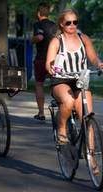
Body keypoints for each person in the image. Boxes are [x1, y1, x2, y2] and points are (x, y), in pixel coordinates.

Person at [46, 8, 103, 175]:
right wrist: (51, 67)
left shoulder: (83, 38)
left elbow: (92, 57)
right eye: (69, 23)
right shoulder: (57, 41)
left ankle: (92, 158)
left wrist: (99, 64)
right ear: (62, 24)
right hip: (61, 80)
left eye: (75, 22)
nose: (72, 25)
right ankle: (62, 130)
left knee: (88, 117)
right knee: (68, 101)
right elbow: (48, 62)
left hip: (80, 80)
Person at [31, 2, 57, 121]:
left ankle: (41, 113)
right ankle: (58, 102)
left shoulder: (37, 24)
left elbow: (40, 37)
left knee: (39, 84)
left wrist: (32, 40)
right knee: (56, 82)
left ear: (38, 13)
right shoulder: (54, 25)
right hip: (54, 60)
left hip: (41, 59)